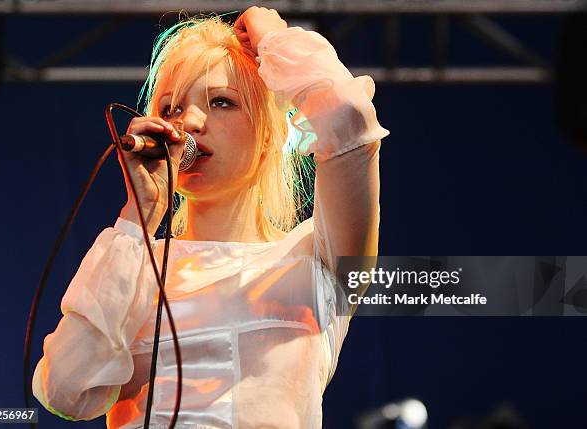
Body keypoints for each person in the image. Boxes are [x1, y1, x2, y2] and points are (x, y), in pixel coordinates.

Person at [31, 6, 389, 429]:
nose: (191, 122)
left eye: (221, 102)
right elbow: (65, 393)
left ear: (269, 137)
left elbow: (347, 114)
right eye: (171, 108)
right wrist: (139, 217)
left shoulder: (318, 259)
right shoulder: (133, 265)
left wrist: (271, 35)